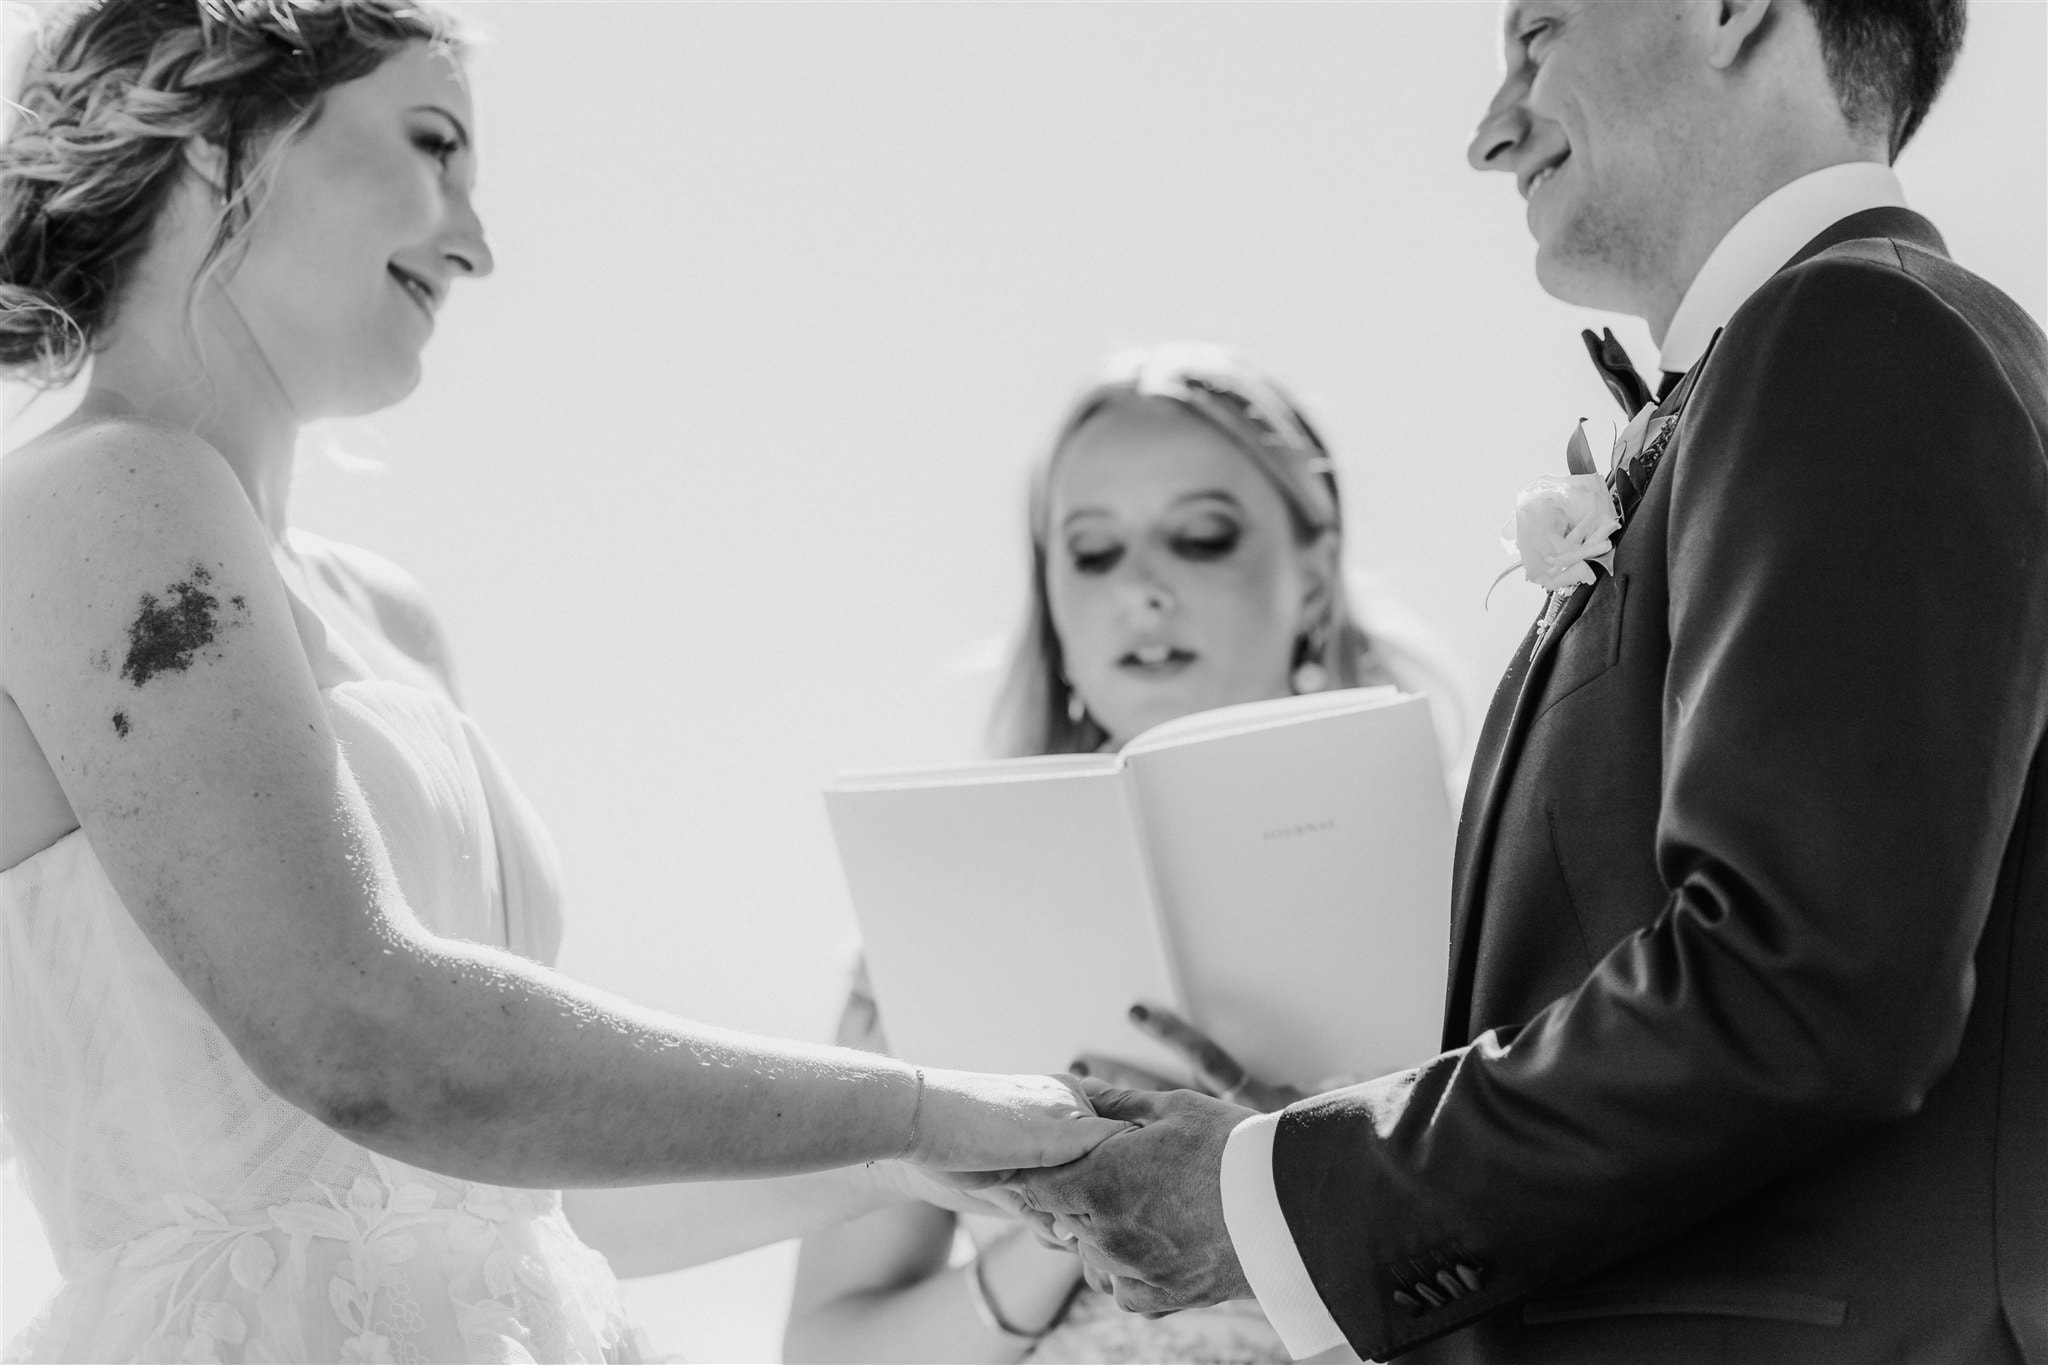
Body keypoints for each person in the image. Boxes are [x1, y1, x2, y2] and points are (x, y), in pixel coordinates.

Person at [0, 2, 1126, 1359]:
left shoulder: (390, 622)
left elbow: (534, 1185)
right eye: (433, 144)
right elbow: (362, 1037)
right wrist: (916, 1103)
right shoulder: (95, 496)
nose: (477, 241)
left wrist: (946, 1165)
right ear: (214, 122)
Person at [1007, 2, 2048, 1362]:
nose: (1491, 134)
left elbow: (1805, 982)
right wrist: (1324, 1131)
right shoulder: (1791, 367)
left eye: (1538, 34)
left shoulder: (1860, 333)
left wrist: (1269, 1200)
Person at [785, 344, 1462, 1365]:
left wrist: (1298, 1176)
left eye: (1199, 538)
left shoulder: (1470, 859)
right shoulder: (932, 911)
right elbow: (831, 1348)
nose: (1141, 588)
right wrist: (1075, 1211)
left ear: (1313, 574)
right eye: (1093, 552)